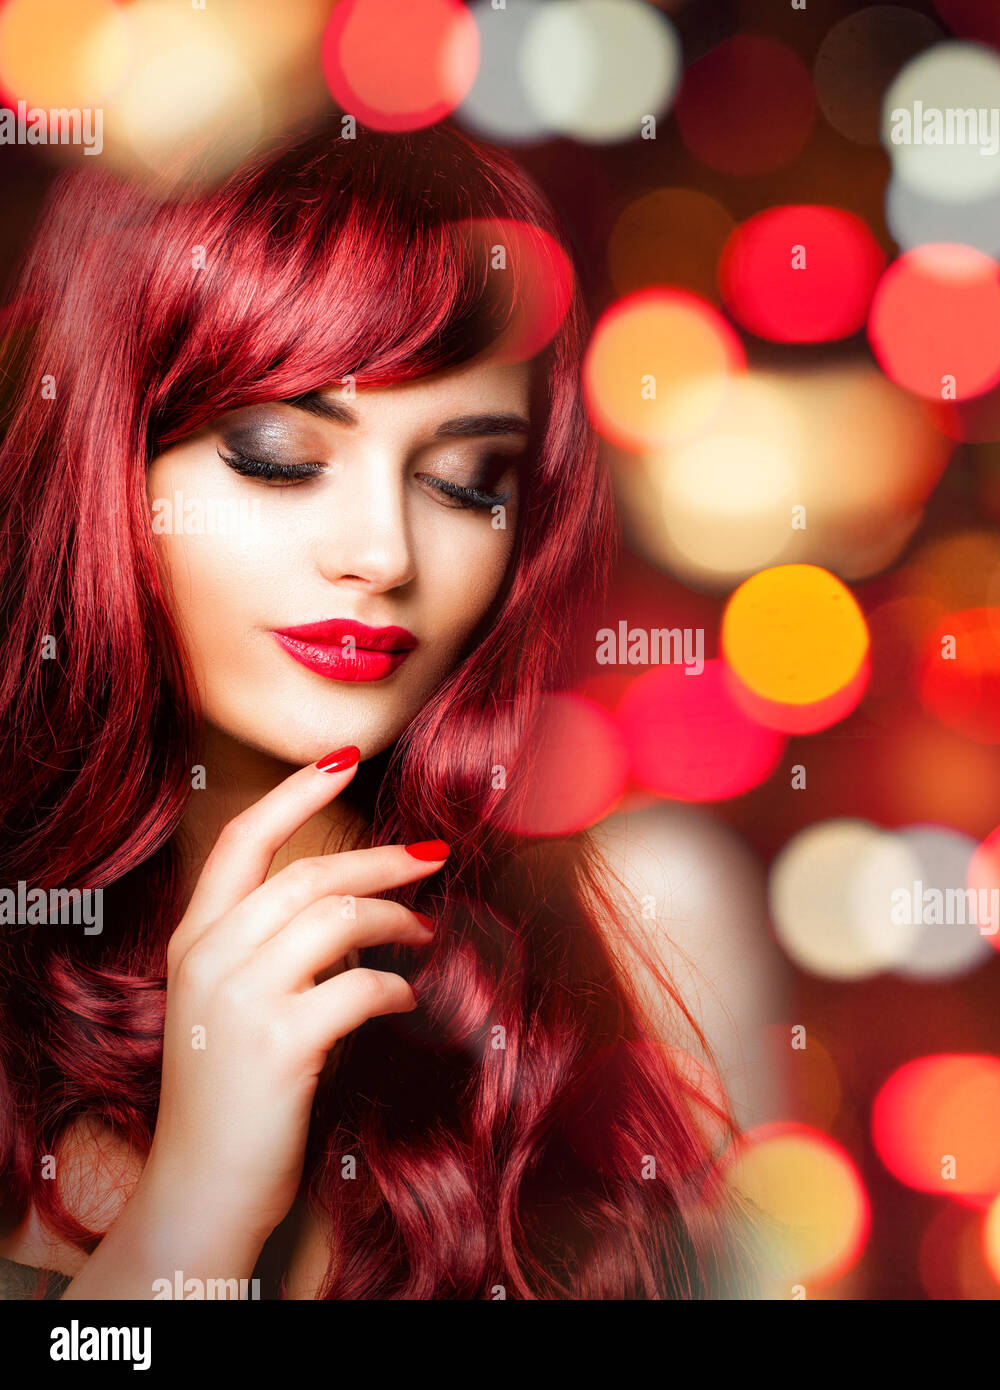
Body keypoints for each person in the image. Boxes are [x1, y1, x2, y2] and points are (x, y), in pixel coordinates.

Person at [0, 122, 777, 1299]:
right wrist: (194, 1211)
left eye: (466, 480)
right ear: (107, 461)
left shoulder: (630, 947)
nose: (382, 552)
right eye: (273, 452)